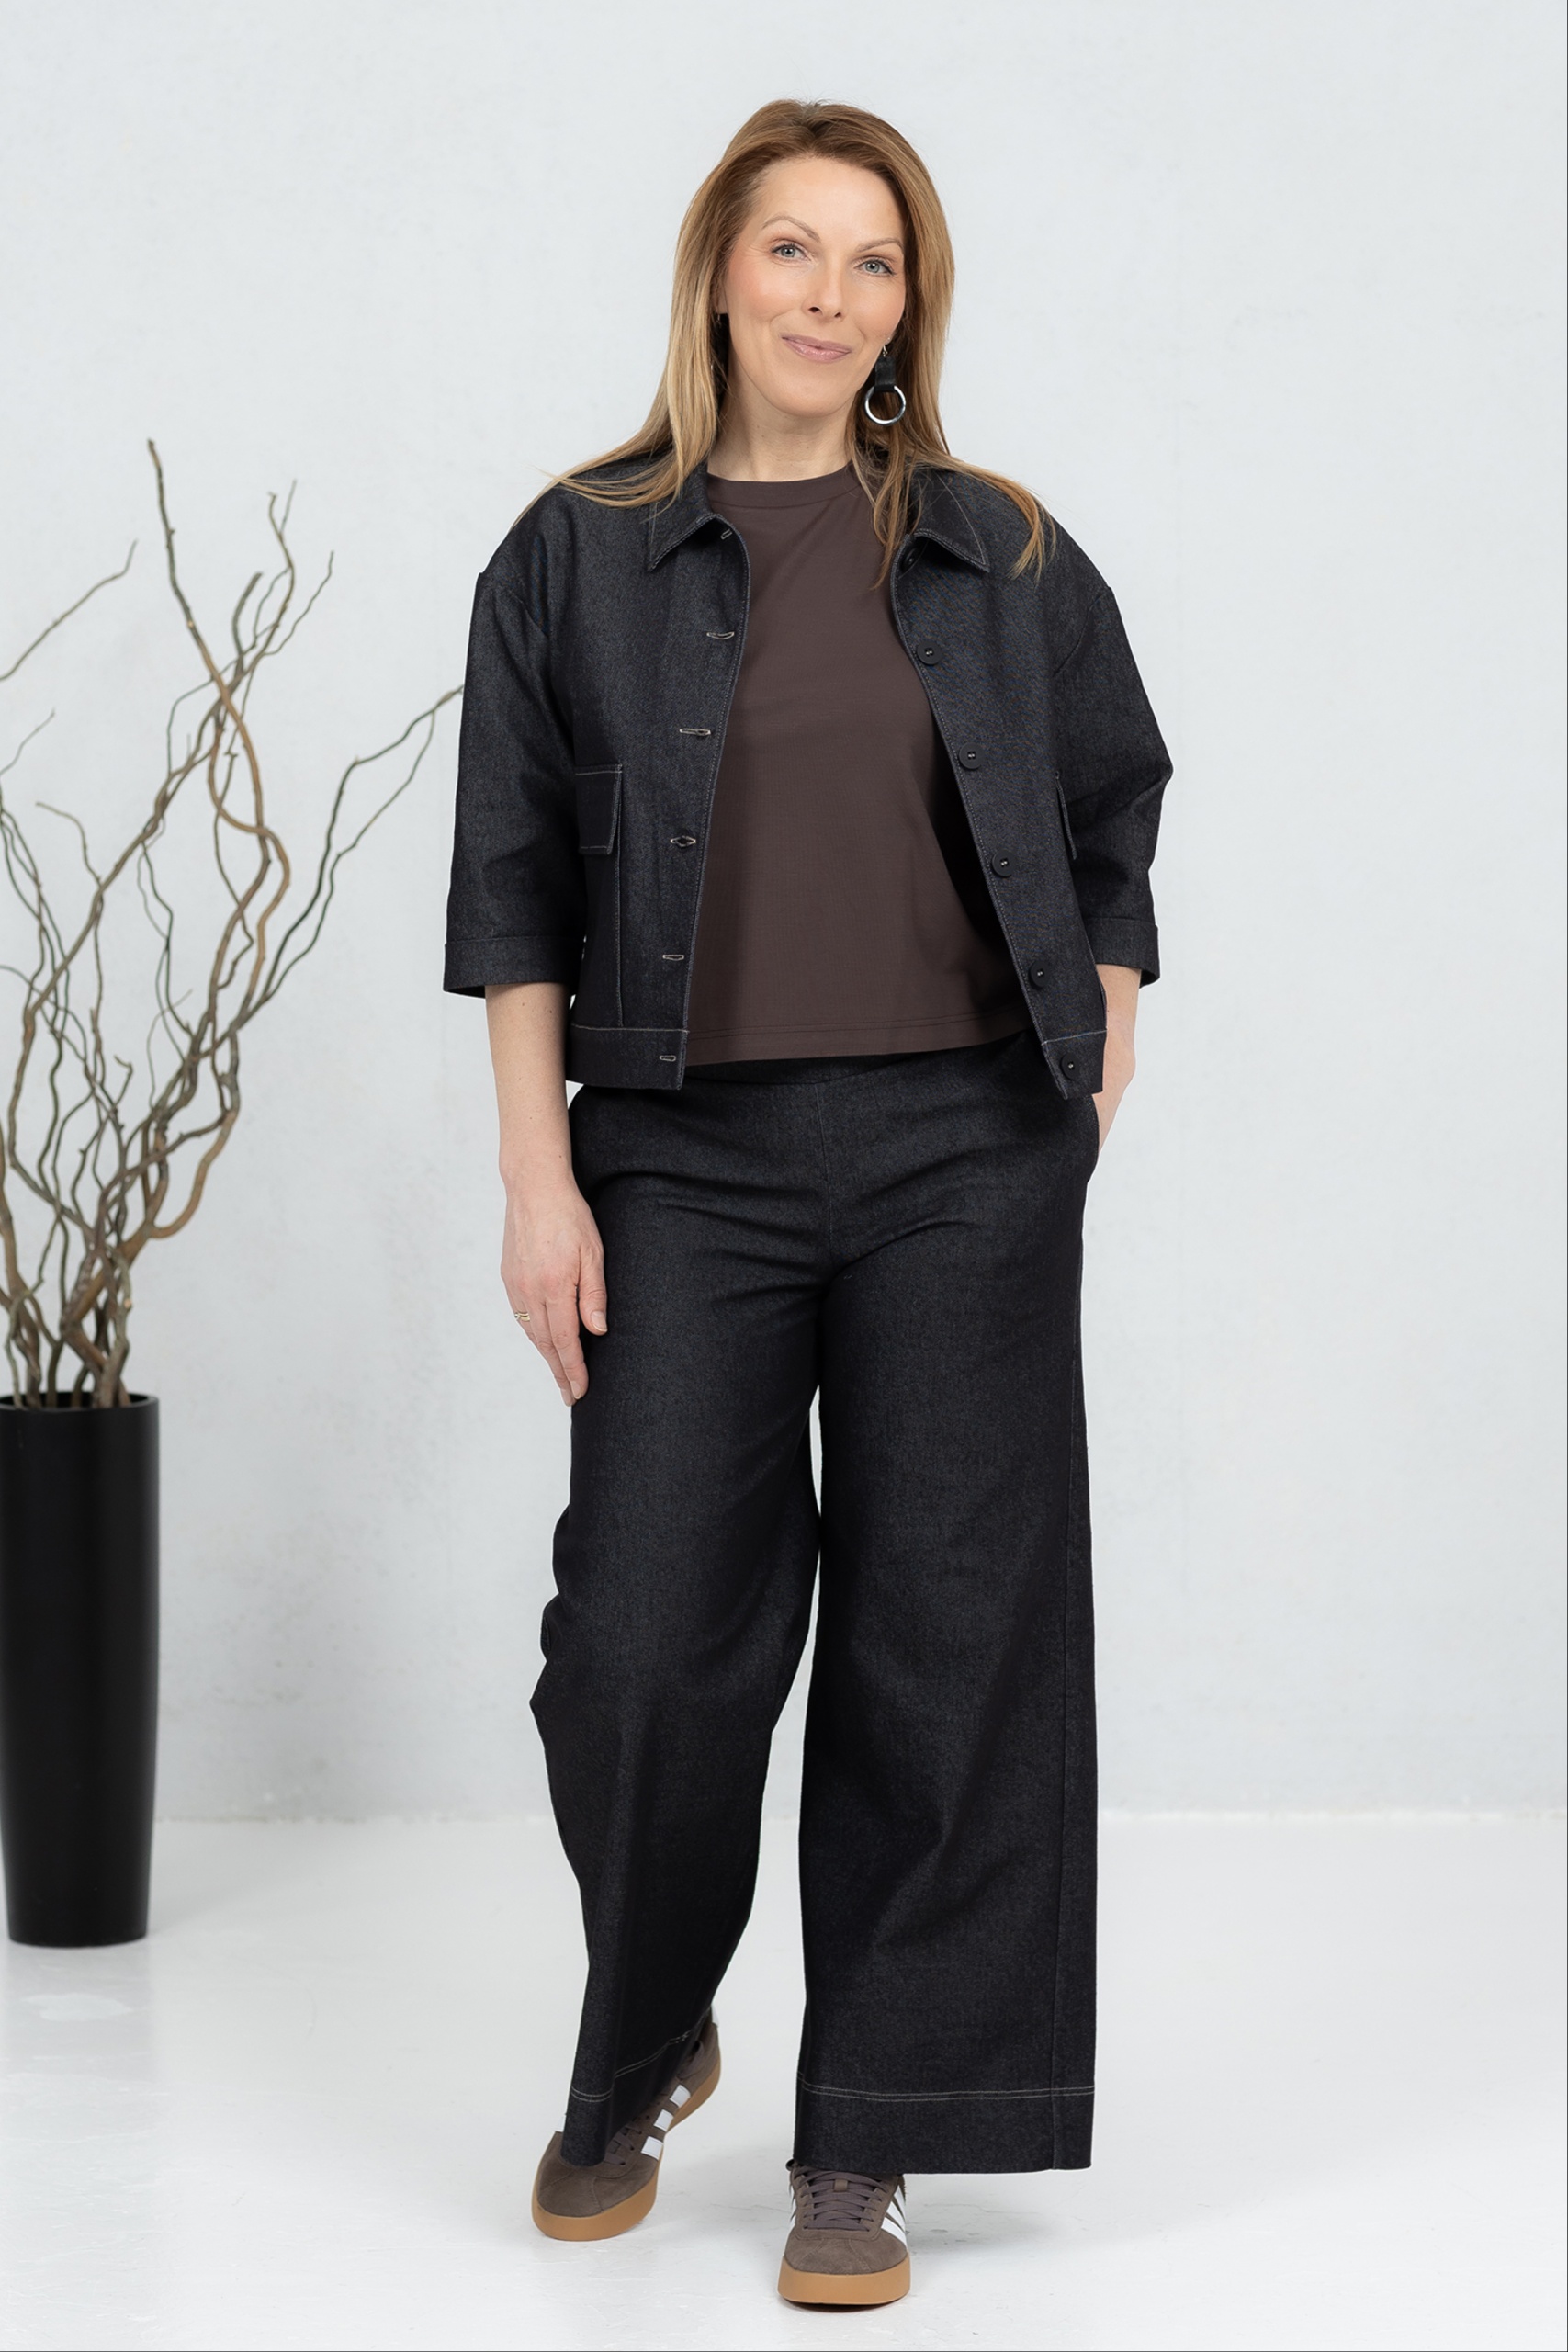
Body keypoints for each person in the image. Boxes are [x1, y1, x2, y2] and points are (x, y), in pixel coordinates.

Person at [445, 97, 1170, 2311]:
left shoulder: (998, 549)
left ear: (906, 307)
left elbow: (1112, 800)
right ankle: (646, 2030)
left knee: (947, 1639)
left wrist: (1101, 1022)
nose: (828, 296)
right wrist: (539, 1177)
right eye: (793, 249)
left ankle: (866, 2130)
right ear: (717, 270)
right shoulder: (570, 554)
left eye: (874, 263)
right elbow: (511, 892)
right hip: (682, 1156)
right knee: (640, 1641)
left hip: (965, 1150)